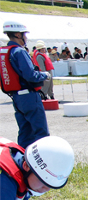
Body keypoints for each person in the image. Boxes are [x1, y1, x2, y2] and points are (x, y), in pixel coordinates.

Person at [1, 21, 52, 149]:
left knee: (25, 133)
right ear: (18, 35)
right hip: (29, 96)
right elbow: (30, 75)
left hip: (16, 97)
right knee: (41, 133)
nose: (26, 38)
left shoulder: (4, 51)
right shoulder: (19, 52)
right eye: (24, 35)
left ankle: (23, 163)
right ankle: (44, 163)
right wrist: (45, 75)